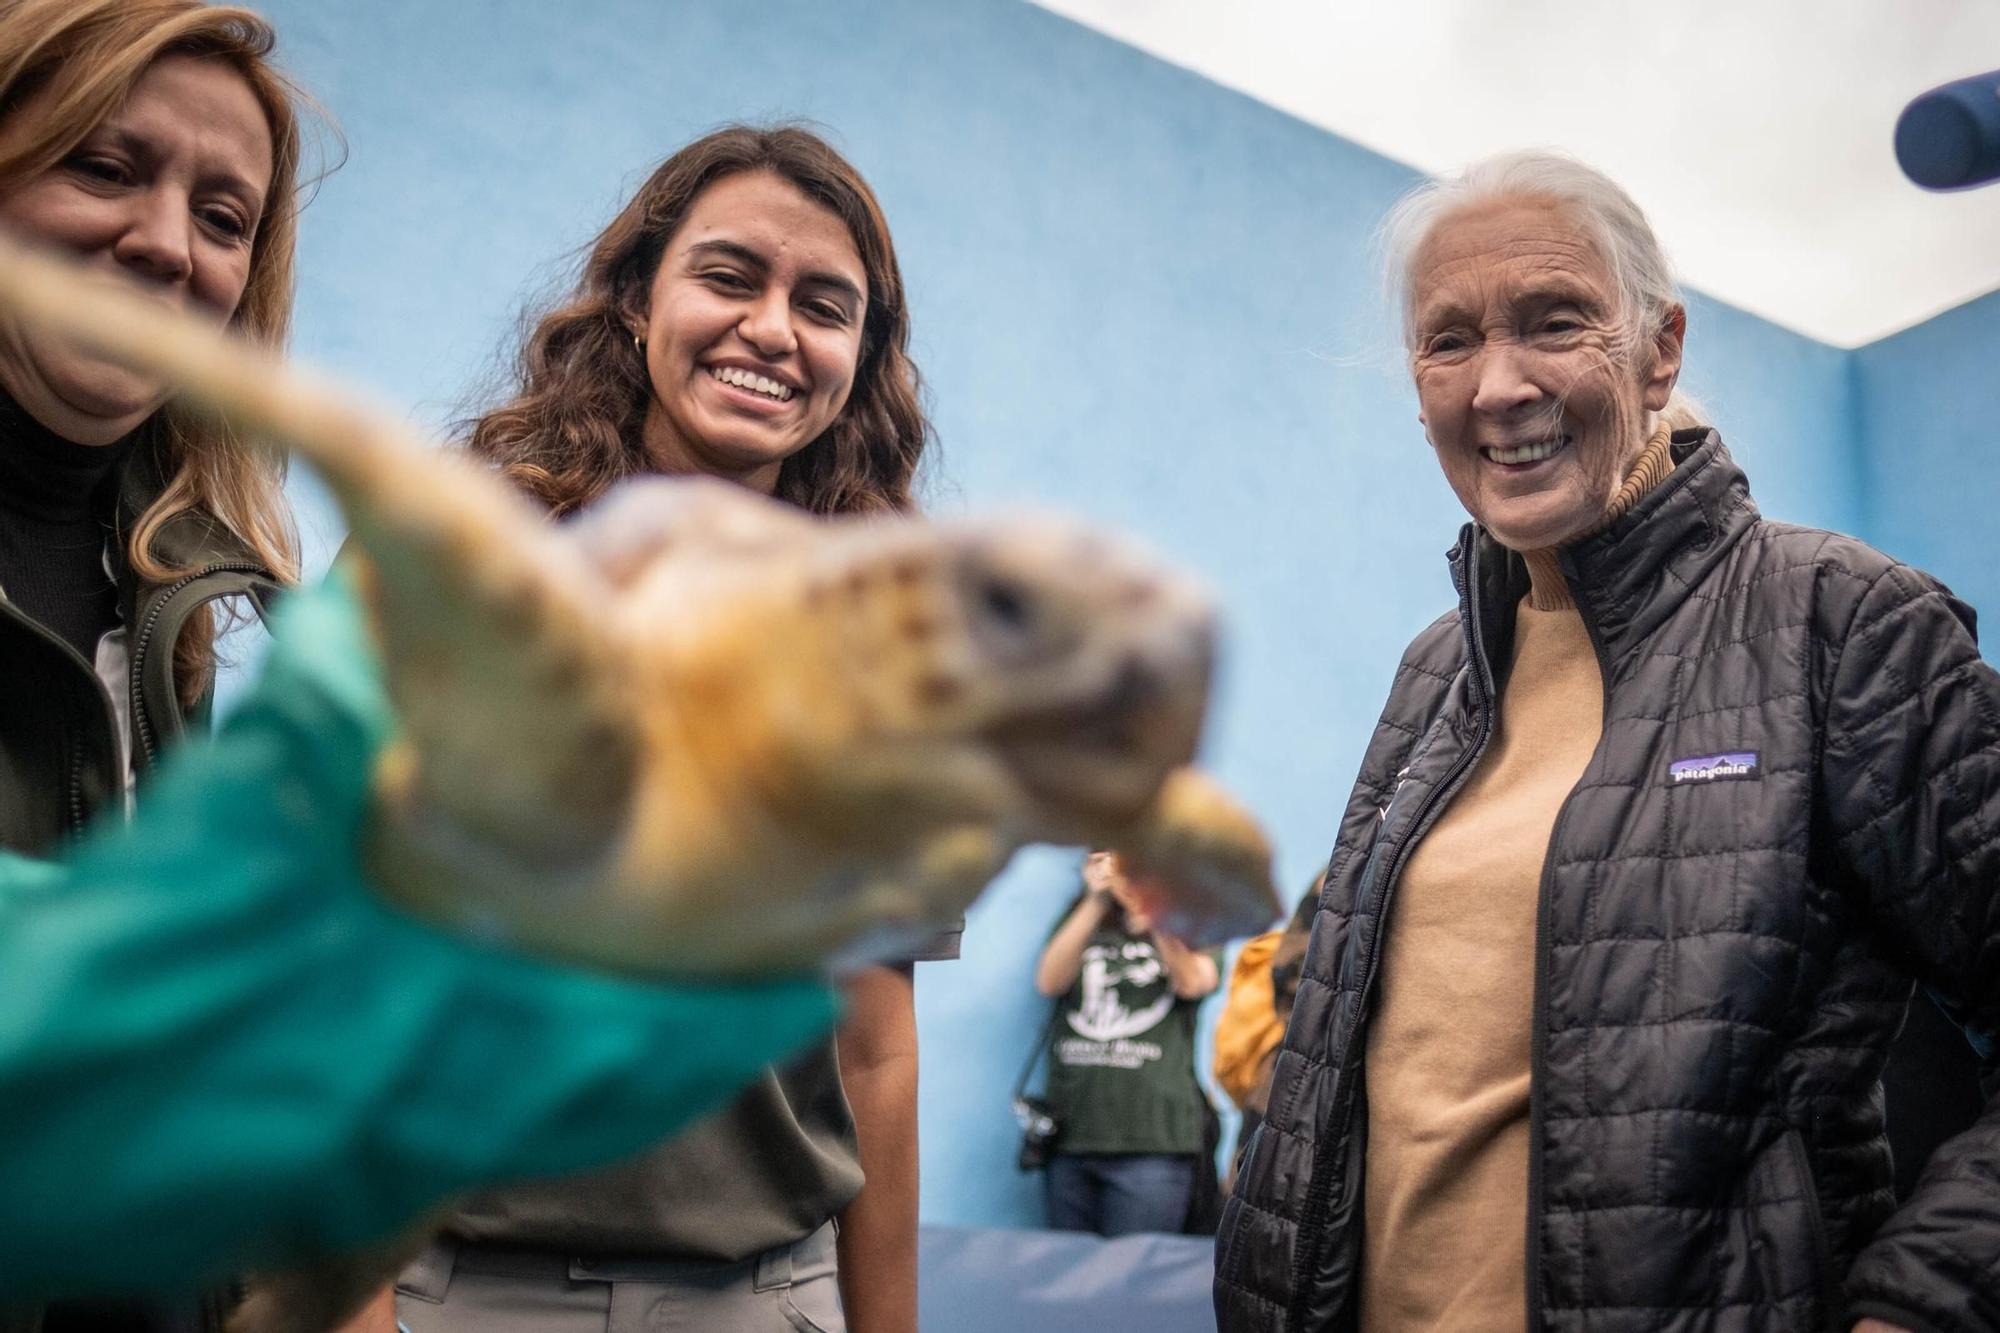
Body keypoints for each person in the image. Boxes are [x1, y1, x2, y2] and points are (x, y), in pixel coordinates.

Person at [0, 3, 835, 1318]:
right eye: (102, 166)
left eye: (226, 219)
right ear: (635, 299)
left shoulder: (171, 588)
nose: (166, 243)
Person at [1214, 152, 1999, 1333]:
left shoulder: (1840, 623)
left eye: (1553, 322)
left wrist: (1917, 1308)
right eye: (1447, 341)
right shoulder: (1436, 669)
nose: (1498, 386)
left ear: (1657, 349)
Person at [394, 124, 942, 1333]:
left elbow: (873, 1053)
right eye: (729, 276)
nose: (772, 330)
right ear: (639, 303)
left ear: (861, 356)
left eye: (824, 304)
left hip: (767, 1301)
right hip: (471, 1294)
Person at [1034, 849, 1221, 1236]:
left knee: (1137, 1281)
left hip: (1153, 1146)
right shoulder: (1084, 920)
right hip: (1072, 1139)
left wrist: (1151, 914)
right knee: (1067, 1281)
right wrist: (1095, 900)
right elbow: (1049, 981)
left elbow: (1192, 982)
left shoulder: (1194, 919)